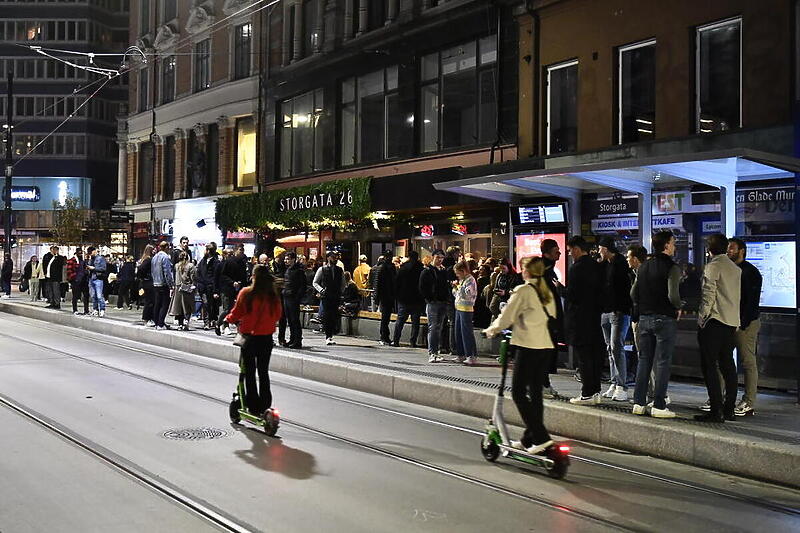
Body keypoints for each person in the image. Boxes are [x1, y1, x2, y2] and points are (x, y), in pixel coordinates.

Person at [483, 257, 557, 455]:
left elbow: (507, 316)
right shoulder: (545, 290)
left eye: (523, 267)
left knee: (517, 392)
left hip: (528, 347)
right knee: (535, 394)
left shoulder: (524, 291)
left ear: (527, 271)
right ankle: (529, 438)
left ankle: (541, 438)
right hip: (546, 347)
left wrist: (491, 330)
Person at [630, 232, 682, 418]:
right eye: (673, 243)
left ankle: (638, 403)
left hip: (644, 318)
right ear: (666, 245)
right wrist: (678, 307)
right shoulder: (672, 267)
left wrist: (644, 306)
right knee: (663, 362)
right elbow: (673, 296)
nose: (674, 246)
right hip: (664, 319)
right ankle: (659, 405)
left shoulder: (643, 267)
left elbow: (633, 293)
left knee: (644, 360)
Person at [224, 264, 282, 417]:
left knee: (249, 372)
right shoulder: (273, 296)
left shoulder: (246, 293)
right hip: (267, 339)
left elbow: (236, 312)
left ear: (254, 277)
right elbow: (277, 315)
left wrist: (227, 320)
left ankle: (253, 405)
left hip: (249, 338)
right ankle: (265, 405)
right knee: (263, 372)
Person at [695, 233, 741, 423]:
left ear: (709, 248)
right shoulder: (734, 268)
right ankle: (729, 408)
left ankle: (716, 410)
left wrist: (702, 317)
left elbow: (709, 293)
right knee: (728, 365)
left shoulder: (713, 266)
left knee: (709, 365)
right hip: (731, 322)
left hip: (714, 321)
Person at [565, 236, 605, 406]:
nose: (569, 254)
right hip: (595, 317)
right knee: (595, 355)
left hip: (580, 318)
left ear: (577, 249)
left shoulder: (577, 268)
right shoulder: (597, 266)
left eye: (570, 250)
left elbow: (573, 295)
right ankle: (596, 391)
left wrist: (561, 290)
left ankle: (587, 392)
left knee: (584, 357)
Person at [727, 238, 763, 417]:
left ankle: (749, 402)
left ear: (742, 250)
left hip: (744, 324)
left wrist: (742, 323)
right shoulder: (730, 269)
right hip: (730, 322)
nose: (728, 251)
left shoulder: (751, 272)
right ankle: (723, 397)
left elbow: (751, 303)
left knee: (747, 362)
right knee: (723, 359)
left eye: (732, 248)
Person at [597, 236, 633, 402]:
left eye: (600, 248)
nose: (598, 251)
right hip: (606, 310)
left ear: (606, 248)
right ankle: (614, 382)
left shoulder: (620, 264)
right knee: (610, 348)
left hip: (618, 311)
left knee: (616, 347)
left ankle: (622, 385)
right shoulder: (605, 265)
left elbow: (623, 289)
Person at [540, 239, 565, 399]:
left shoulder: (547, 269)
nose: (560, 253)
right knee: (545, 352)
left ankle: (543, 383)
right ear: (548, 253)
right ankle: (542, 384)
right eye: (556, 251)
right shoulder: (544, 270)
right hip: (545, 319)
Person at [419, 249, 450, 363]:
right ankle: (432, 352)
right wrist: (430, 298)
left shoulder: (443, 270)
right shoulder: (427, 271)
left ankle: (436, 351)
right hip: (433, 303)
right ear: (433, 257)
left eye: (442, 258)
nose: (440, 260)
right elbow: (422, 287)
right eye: (438, 257)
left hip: (442, 302)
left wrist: (446, 298)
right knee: (433, 327)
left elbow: (445, 286)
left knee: (439, 327)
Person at [625, 244, 648, 386]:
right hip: (637, 317)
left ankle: (648, 389)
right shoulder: (633, 274)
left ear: (635, 259)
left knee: (644, 354)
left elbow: (634, 295)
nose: (627, 259)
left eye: (628, 257)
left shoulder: (642, 274)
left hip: (641, 317)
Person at [392, 251, 425, 347]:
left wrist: (397, 295)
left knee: (400, 320)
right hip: (417, 298)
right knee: (416, 322)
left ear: (409, 257)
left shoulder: (403, 268)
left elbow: (397, 283)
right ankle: (413, 341)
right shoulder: (421, 269)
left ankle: (396, 340)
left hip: (404, 298)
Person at [313, 251, 345, 345]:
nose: (335, 259)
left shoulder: (339, 270)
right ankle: (328, 336)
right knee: (327, 316)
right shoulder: (322, 269)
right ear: (328, 258)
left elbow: (343, 283)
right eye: (333, 257)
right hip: (326, 296)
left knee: (334, 316)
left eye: (336, 257)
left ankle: (331, 335)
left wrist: (340, 291)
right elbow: (315, 282)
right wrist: (321, 290)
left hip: (336, 296)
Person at [216, 246, 248, 336]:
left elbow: (243, 277)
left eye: (243, 250)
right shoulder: (229, 262)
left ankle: (239, 327)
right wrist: (232, 282)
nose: (242, 252)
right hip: (227, 289)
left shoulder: (242, 263)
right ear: (236, 251)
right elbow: (222, 276)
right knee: (227, 309)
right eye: (240, 250)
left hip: (238, 290)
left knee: (237, 309)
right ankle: (218, 324)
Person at [452, 261, 478, 365]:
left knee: (466, 332)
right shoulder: (463, 280)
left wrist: (458, 287)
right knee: (458, 332)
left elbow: (468, 293)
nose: (457, 275)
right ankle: (461, 354)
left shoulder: (470, 280)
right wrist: (455, 288)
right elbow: (457, 294)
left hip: (466, 309)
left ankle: (471, 355)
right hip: (459, 308)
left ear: (463, 271)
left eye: (458, 273)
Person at [281, 251, 306, 349]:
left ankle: (297, 340)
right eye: (285, 259)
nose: (285, 261)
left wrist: (297, 297)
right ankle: (292, 339)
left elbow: (303, 286)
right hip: (286, 297)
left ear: (293, 259)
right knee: (290, 320)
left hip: (293, 298)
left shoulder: (298, 271)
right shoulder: (288, 270)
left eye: (287, 259)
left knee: (295, 319)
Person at [373, 249, 397, 346]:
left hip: (387, 295)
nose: (389, 258)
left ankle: (384, 336)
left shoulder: (387, 267)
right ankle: (384, 336)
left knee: (385, 317)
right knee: (385, 318)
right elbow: (378, 283)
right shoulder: (384, 267)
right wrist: (377, 297)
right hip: (386, 295)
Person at [170, 251, 197, 331]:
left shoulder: (176, 265)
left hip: (178, 288)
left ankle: (180, 324)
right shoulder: (191, 265)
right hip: (187, 288)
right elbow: (193, 277)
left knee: (179, 307)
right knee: (188, 306)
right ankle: (186, 321)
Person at [151, 241, 175, 330]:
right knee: (165, 304)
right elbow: (167, 272)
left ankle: (157, 322)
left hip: (155, 283)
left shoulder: (155, 257)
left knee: (157, 304)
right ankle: (161, 323)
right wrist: (171, 285)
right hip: (163, 284)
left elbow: (152, 271)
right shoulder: (165, 257)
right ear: (166, 247)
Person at [197, 243, 220, 330]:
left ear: (208, 251)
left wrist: (215, 290)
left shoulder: (216, 262)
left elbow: (216, 277)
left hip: (211, 287)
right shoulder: (202, 261)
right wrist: (199, 282)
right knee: (206, 303)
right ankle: (206, 322)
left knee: (212, 304)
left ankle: (212, 319)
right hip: (203, 287)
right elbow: (198, 272)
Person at [86, 247, 107, 317]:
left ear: (94, 251)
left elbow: (104, 268)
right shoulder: (90, 259)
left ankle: (102, 309)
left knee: (99, 296)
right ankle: (95, 309)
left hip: (98, 278)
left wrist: (94, 268)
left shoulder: (100, 258)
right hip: (91, 278)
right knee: (93, 295)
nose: (90, 254)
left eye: (91, 252)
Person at [67, 249, 89, 315]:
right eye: (79, 253)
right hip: (76, 280)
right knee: (75, 296)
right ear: (76, 253)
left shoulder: (83, 261)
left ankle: (86, 310)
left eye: (81, 253)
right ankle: (75, 309)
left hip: (84, 280)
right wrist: (73, 279)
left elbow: (85, 269)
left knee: (86, 296)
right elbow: (69, 271)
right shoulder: (72, 260)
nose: (81, 255)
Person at [137, 244, 155, 326]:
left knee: (149, 301)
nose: (155, 251)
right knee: (149, 301)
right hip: (148, 282)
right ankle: (146, 319)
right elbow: (141, 269)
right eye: (153, 249)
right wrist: (144, 277)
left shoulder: (144, 258)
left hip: (146, 282)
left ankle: (148, 318)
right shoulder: (148, 259)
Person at [472, 265, 493, 329]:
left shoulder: (482, 279)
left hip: (480, 298)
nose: (480, 271)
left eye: (482, 269)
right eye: (480, 269)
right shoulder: (486, 279)